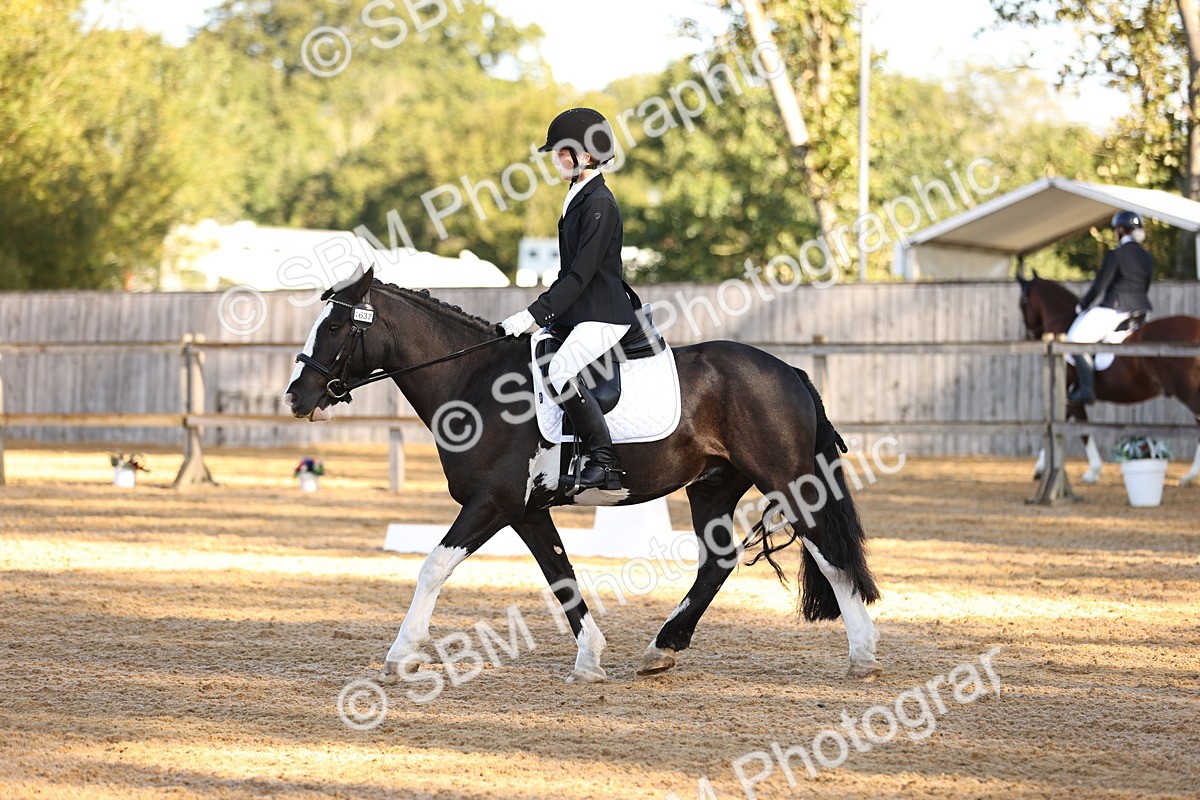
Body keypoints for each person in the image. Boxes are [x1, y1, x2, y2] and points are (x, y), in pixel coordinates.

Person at [499, 108, 638, 490]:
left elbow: (580, 275)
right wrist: (544, 318)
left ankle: (604, 462)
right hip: (581, 311)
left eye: (563, 152)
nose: (557, 160)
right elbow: (567, 274)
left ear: (587, 155)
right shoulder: (578, 195)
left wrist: (531, 314)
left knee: (560, 371)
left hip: (604, 314)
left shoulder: (599, 203)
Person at [1065, 210, 1154, 404]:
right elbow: (1145, 286)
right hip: (1140, 312)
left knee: (1074, 340)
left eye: (1116, 230)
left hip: (1115, 309)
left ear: (1121, 230)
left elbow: (1100, 286)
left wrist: (1082, 305)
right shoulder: (1147, 257)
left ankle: (1086, 390)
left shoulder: (1116, 254)